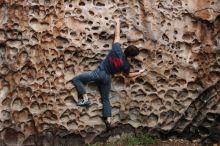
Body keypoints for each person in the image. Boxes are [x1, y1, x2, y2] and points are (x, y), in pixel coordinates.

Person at [71, 16, 145, 128]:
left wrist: (118, 22)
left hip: (99, 73)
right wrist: (139, 72)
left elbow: (117, 36)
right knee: (105, 99)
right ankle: (109, 120)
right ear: (132, 56)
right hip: (107, 78)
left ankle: (85, 99)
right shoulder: (126, 65)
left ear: (126, 49)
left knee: (77, 79)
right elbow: (128, 76)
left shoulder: (117, 49)